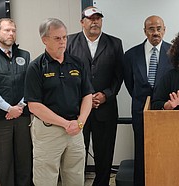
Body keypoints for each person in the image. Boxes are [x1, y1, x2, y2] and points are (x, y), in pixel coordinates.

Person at [24, 18, 93, 186]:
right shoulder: (36, 67)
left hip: (76, 129)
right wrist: (65, 124)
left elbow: (87, 95)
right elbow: (34, 106)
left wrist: (80, 122)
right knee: (45, 179)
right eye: (57, 38)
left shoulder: (77, 63)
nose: (62, 42)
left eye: (64, 37)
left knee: (76, 177)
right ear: (44, 40)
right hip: (48, 131)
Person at [66, 6, 124, 186]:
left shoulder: (115, 43)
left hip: (105, 109)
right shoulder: (69, 42)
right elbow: (66, 75)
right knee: (76, 156)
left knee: (104, 155)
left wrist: (106, 95)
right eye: (91, 18)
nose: (95, 22)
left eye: (98, 18)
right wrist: (85, 98)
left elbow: (119, 75)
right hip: (77, 110)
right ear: (82, 22)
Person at [123, 15, 173, 186]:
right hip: (140, 111)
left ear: (164, 30)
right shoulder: (130, 55)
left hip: (167, 111)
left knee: (167, 151)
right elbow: (130, 84)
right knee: (141, 152)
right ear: (145, 31)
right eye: (151, 29)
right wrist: (142, 100)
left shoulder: (175, 54)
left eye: (159, 28)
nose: (155, 32)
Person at [0, 18, 32, 186]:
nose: (11, 33)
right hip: (1, 118)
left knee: (24, 159)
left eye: (13, 30)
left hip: (22, 116)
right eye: (7, 30)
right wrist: (8, 108)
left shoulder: (25, 55)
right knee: (5, 161)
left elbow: (30, 85)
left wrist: (19, 107)